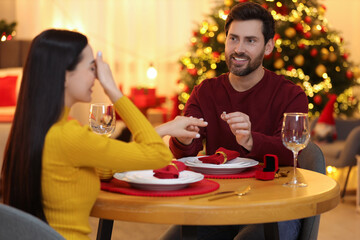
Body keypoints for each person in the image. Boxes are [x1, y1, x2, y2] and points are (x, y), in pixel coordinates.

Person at [1, 29, 207, 240]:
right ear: (64, 75)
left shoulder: (36, 131)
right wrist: (113, 90)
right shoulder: (69, 136)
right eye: (92, 68)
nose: (97, 76)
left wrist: (164, 128)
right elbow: (158, 156)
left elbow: (105, 165)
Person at [168, 2, 308, 240]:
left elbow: (292, 153)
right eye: (233, 38)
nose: (239, 49)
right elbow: (186, 155)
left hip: (274, 206)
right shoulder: (205, 92)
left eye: (250, 41)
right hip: (217, 201)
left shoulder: (290, 95)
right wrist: (182, 139)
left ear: (268, 46)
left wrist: (252, 140)